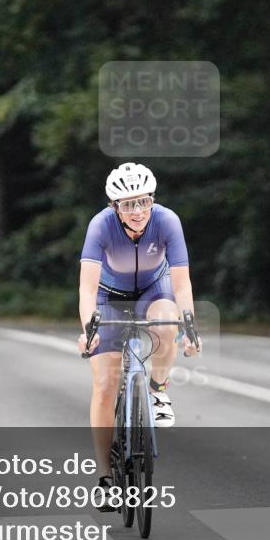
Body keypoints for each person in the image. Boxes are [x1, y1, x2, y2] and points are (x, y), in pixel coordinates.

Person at [76, 162, 200, 510]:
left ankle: (158, 389)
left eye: (144, 201)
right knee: (105, 384)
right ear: (114, 206)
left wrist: (189, 327)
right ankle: (104, 478)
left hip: (153, 291)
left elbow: (181, 284)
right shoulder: (100, 225)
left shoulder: (167, 221)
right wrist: (89, 330)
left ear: (152, 200)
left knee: (166, 325)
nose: (137, 211)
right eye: (128, 204)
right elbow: (87, 289)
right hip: (109, 297)